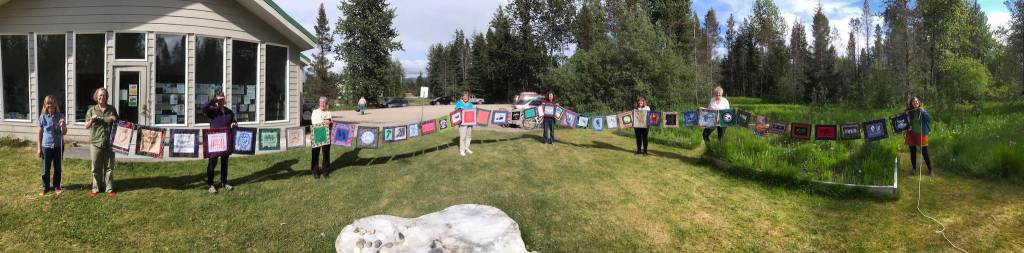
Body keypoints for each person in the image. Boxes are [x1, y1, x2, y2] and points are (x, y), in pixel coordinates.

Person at [84, 88, 118, 198]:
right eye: (100, 95)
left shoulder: (112, 109)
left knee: (109, 167)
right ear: (96, 97)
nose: (102, 97)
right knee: (95, 168)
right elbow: (86, 126)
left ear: (106, 97)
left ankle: (109, 189)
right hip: (96, 142)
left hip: (109, 143)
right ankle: (95, 188)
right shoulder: (91, 110)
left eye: (104, 95)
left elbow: (118, 123)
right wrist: (92, 120)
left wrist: (114, 118)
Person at [203, 91, 237, 193]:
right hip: (214, 142)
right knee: (212, 163)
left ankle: (224, 182)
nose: (221, 101)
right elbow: (204, 107)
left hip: (226, 141)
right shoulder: (212, 111)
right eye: (219, 99)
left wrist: (234, 124)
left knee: (224, 163)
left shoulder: (229, 112)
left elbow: (234, 121)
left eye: (222, 99)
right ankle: (210, 184)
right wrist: (214, 100)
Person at [37, 96, 67, 196]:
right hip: (46, 146)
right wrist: (39, 148)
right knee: (45, 168)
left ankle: (56, 186)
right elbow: (40, 133)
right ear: (45, 105)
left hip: (58, 146)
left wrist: (63, 126)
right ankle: (45, 187)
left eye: (52, 103)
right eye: (48, 103)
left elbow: (64, 132)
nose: (50, 105)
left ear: (55, 104)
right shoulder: (42, 117)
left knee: (58, 168)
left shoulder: (61, 116)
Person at [905, 96, 934, 176]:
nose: (915, 103)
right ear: (911, 103)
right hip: (911, 134)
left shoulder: (922, 111)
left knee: (925, 152)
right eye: (914, 101)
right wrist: (907, 123)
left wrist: (924, 112)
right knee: (912, 152)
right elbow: (904, 122)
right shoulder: (909, 112)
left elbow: (929, 120)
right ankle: (914, 169)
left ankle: (930, 170)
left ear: (919, 102)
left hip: (921, 133)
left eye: (917, 101)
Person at [310, 96, 333, 179]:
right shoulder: (315, 112)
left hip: (327, 136)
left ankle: (325, 172)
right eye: (321, 102)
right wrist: (325, 121)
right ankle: (315, 171)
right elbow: (314, 122)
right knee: (315, 154)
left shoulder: (328, 112)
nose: (323, 104)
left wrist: (330, 122)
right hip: (317, 135)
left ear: (326, 104)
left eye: (324, 103)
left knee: (326, 154)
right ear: (319, 103)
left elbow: (331, 123)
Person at [455, 91, 474, 156]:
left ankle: (467, 148)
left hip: (470, 122)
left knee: (469, 136)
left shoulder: (470, 104)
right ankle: (462, 150)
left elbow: (472, 112)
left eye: (467, 96)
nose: (465, 97)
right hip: (462, 123)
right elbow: (456, 112)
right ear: (462, 97)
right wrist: (459, 109)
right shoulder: (459, 103)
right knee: (463, 137)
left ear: (468, 97)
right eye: (464, 96)